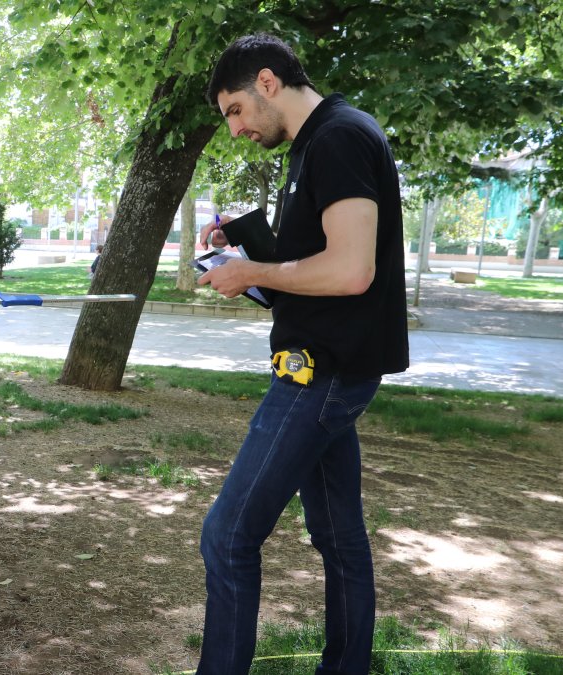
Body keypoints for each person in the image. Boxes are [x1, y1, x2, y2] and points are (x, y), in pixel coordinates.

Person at [194, 33, 408, 674]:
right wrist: (245, 252)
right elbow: (310, 260)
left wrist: (253, 268)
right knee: (339, 538)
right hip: (329, 364)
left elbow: (350, 271)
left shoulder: (338, 137)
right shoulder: (319, 140)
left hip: (321, 374)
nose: (234, 129)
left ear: (266, 82)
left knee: (227, 537)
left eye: (234, 109)